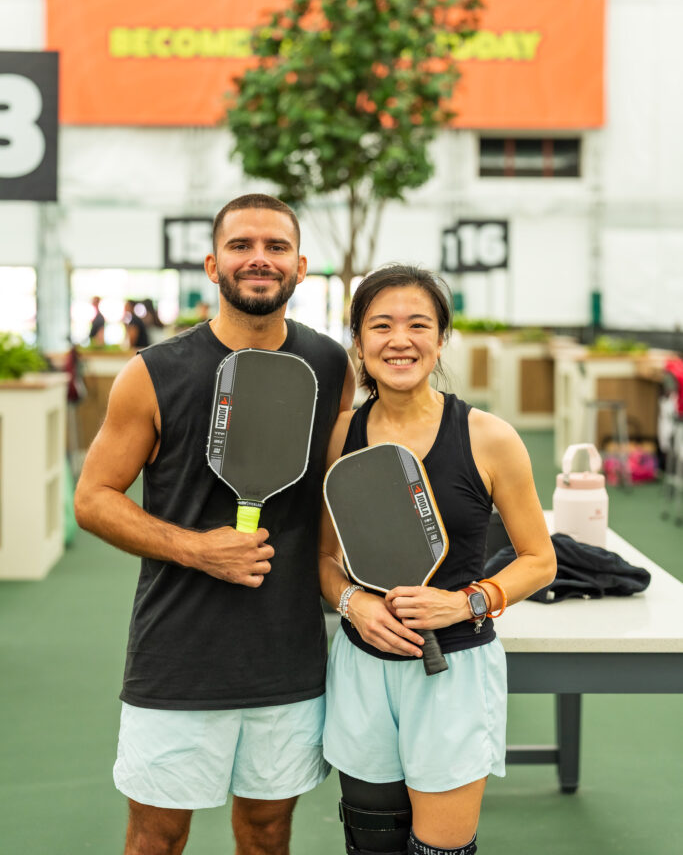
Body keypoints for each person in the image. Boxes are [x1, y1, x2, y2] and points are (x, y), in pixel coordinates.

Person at [75, 194, 356, 855]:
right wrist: (196, 549)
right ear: (212, 264)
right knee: (156, 838)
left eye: (276, 246)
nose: (259, 259)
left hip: (286, 654)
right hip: (177, 654)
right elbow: (93, 498)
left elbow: (336, 492)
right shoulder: (152, 373)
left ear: (300, 267)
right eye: (241, 245)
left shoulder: (329, 365)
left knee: (267, 834)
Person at [319, 265, 556, 855]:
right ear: (359, 342)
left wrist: (466, 602)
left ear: (442, 339)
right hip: (362, 668)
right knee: (371, 845)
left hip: (456, 673)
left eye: (418, 325)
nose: (400, 340)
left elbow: (539, 560)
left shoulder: (490, 437)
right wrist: (353, 603)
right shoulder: (339, 437)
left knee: (440, 852)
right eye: (381, 326)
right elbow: (323, 557)